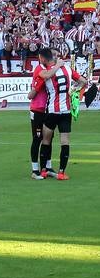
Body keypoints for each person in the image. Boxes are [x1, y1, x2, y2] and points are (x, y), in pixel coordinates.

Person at [37, 48, 88, 180]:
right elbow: (83, 81)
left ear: (44, 58)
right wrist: (74, 90)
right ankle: (61, 172)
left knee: (46, 140)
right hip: (66, 111)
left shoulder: (47, 70)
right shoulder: (68, 69)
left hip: (52, 110)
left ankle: (43, 170)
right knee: (65, 141)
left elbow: (46, 76)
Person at [27, 49, 58, 180]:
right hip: (37, 110)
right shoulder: (40, 68)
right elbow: (45, 77)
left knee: (49, 138)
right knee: (37, 138)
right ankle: (35, 170)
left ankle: (48, 167)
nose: (56, 58)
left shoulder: (50, 69)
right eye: (54, 55)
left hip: (48, 109)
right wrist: (59, 65)